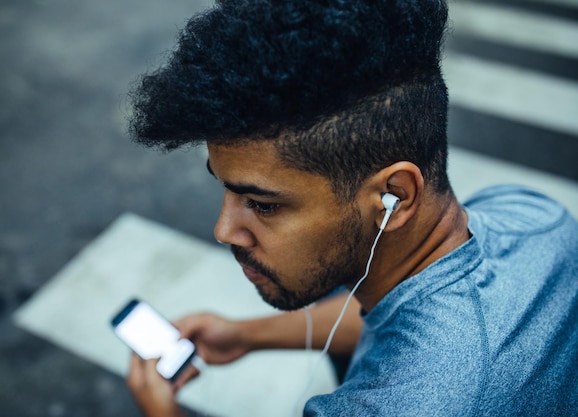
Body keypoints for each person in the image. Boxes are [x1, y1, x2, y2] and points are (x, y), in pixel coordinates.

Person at [124, 0, 578, 416]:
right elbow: (391, 320)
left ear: (396, 196)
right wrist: (248, 334)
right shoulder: (534, 215)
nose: (225, 230)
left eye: (262, 204)